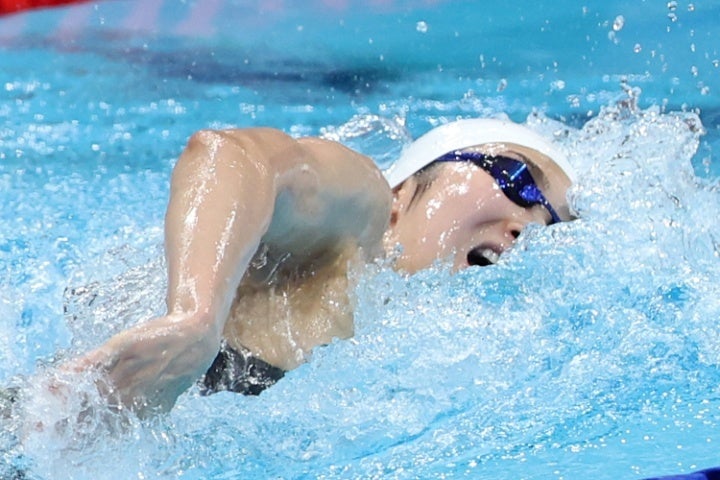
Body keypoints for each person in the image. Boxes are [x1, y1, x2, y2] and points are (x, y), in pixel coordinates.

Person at [56, 117, 575, 417]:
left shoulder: (427, 369)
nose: (526, 227)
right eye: (517, 180)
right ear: (404, 192)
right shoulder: (359, 223)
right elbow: (229, 154)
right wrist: (195, 316)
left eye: (550, 225)